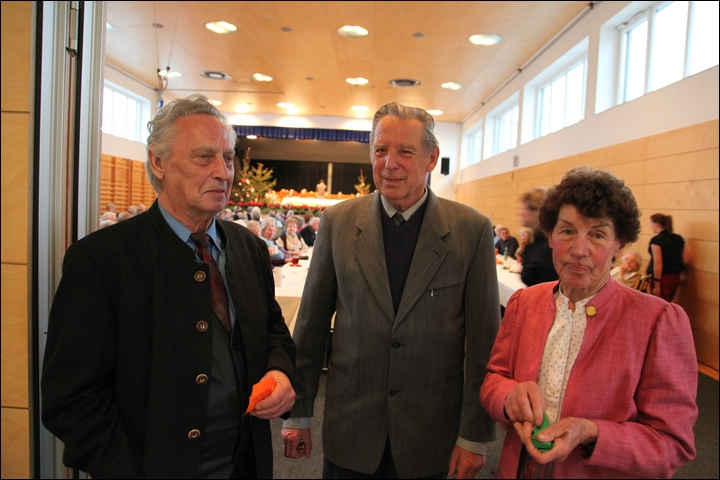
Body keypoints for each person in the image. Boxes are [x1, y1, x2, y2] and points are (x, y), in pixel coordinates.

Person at [41, 94, 296, 479]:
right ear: (158, 162)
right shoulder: (102, 260)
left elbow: (273, 329)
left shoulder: (248, 248)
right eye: (204, 157)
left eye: (228, 158)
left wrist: (280, 372)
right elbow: (71, 398)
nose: (223, 172)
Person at [282, 102, 500, 479]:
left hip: (430, 434)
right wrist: (298, 413)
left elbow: (483, 343)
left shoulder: (471, 230)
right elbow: (311, 326)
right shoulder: (337, 223)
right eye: (381, 149)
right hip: (351, 428)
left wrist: (474, 437)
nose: (389, 163)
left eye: (405, 151)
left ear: (432, 158)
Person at [480, 167, 697, 478]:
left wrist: (592, 433)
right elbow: (494, 379)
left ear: (620, 245)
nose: (579, 250)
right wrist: (507, 396)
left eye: (597, 234)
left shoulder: (658, 321)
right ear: (551, 235)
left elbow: (672, 445)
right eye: (567, 231)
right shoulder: (524, 303)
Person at [517, 188, 559, 287]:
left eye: (524, 208)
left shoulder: (547, 247)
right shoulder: (537, 242)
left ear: (535, 212)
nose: (519, 212)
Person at [647, 213, 690, 302]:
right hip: (675, 278)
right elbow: (686, 260)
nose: (651, 226)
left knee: (657, 304)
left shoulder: (656, 240)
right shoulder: (678, 239)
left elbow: (658, 263)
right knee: (666, 302)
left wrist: (657, 285)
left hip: (662, 279)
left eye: (651, 223)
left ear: (657, 224)